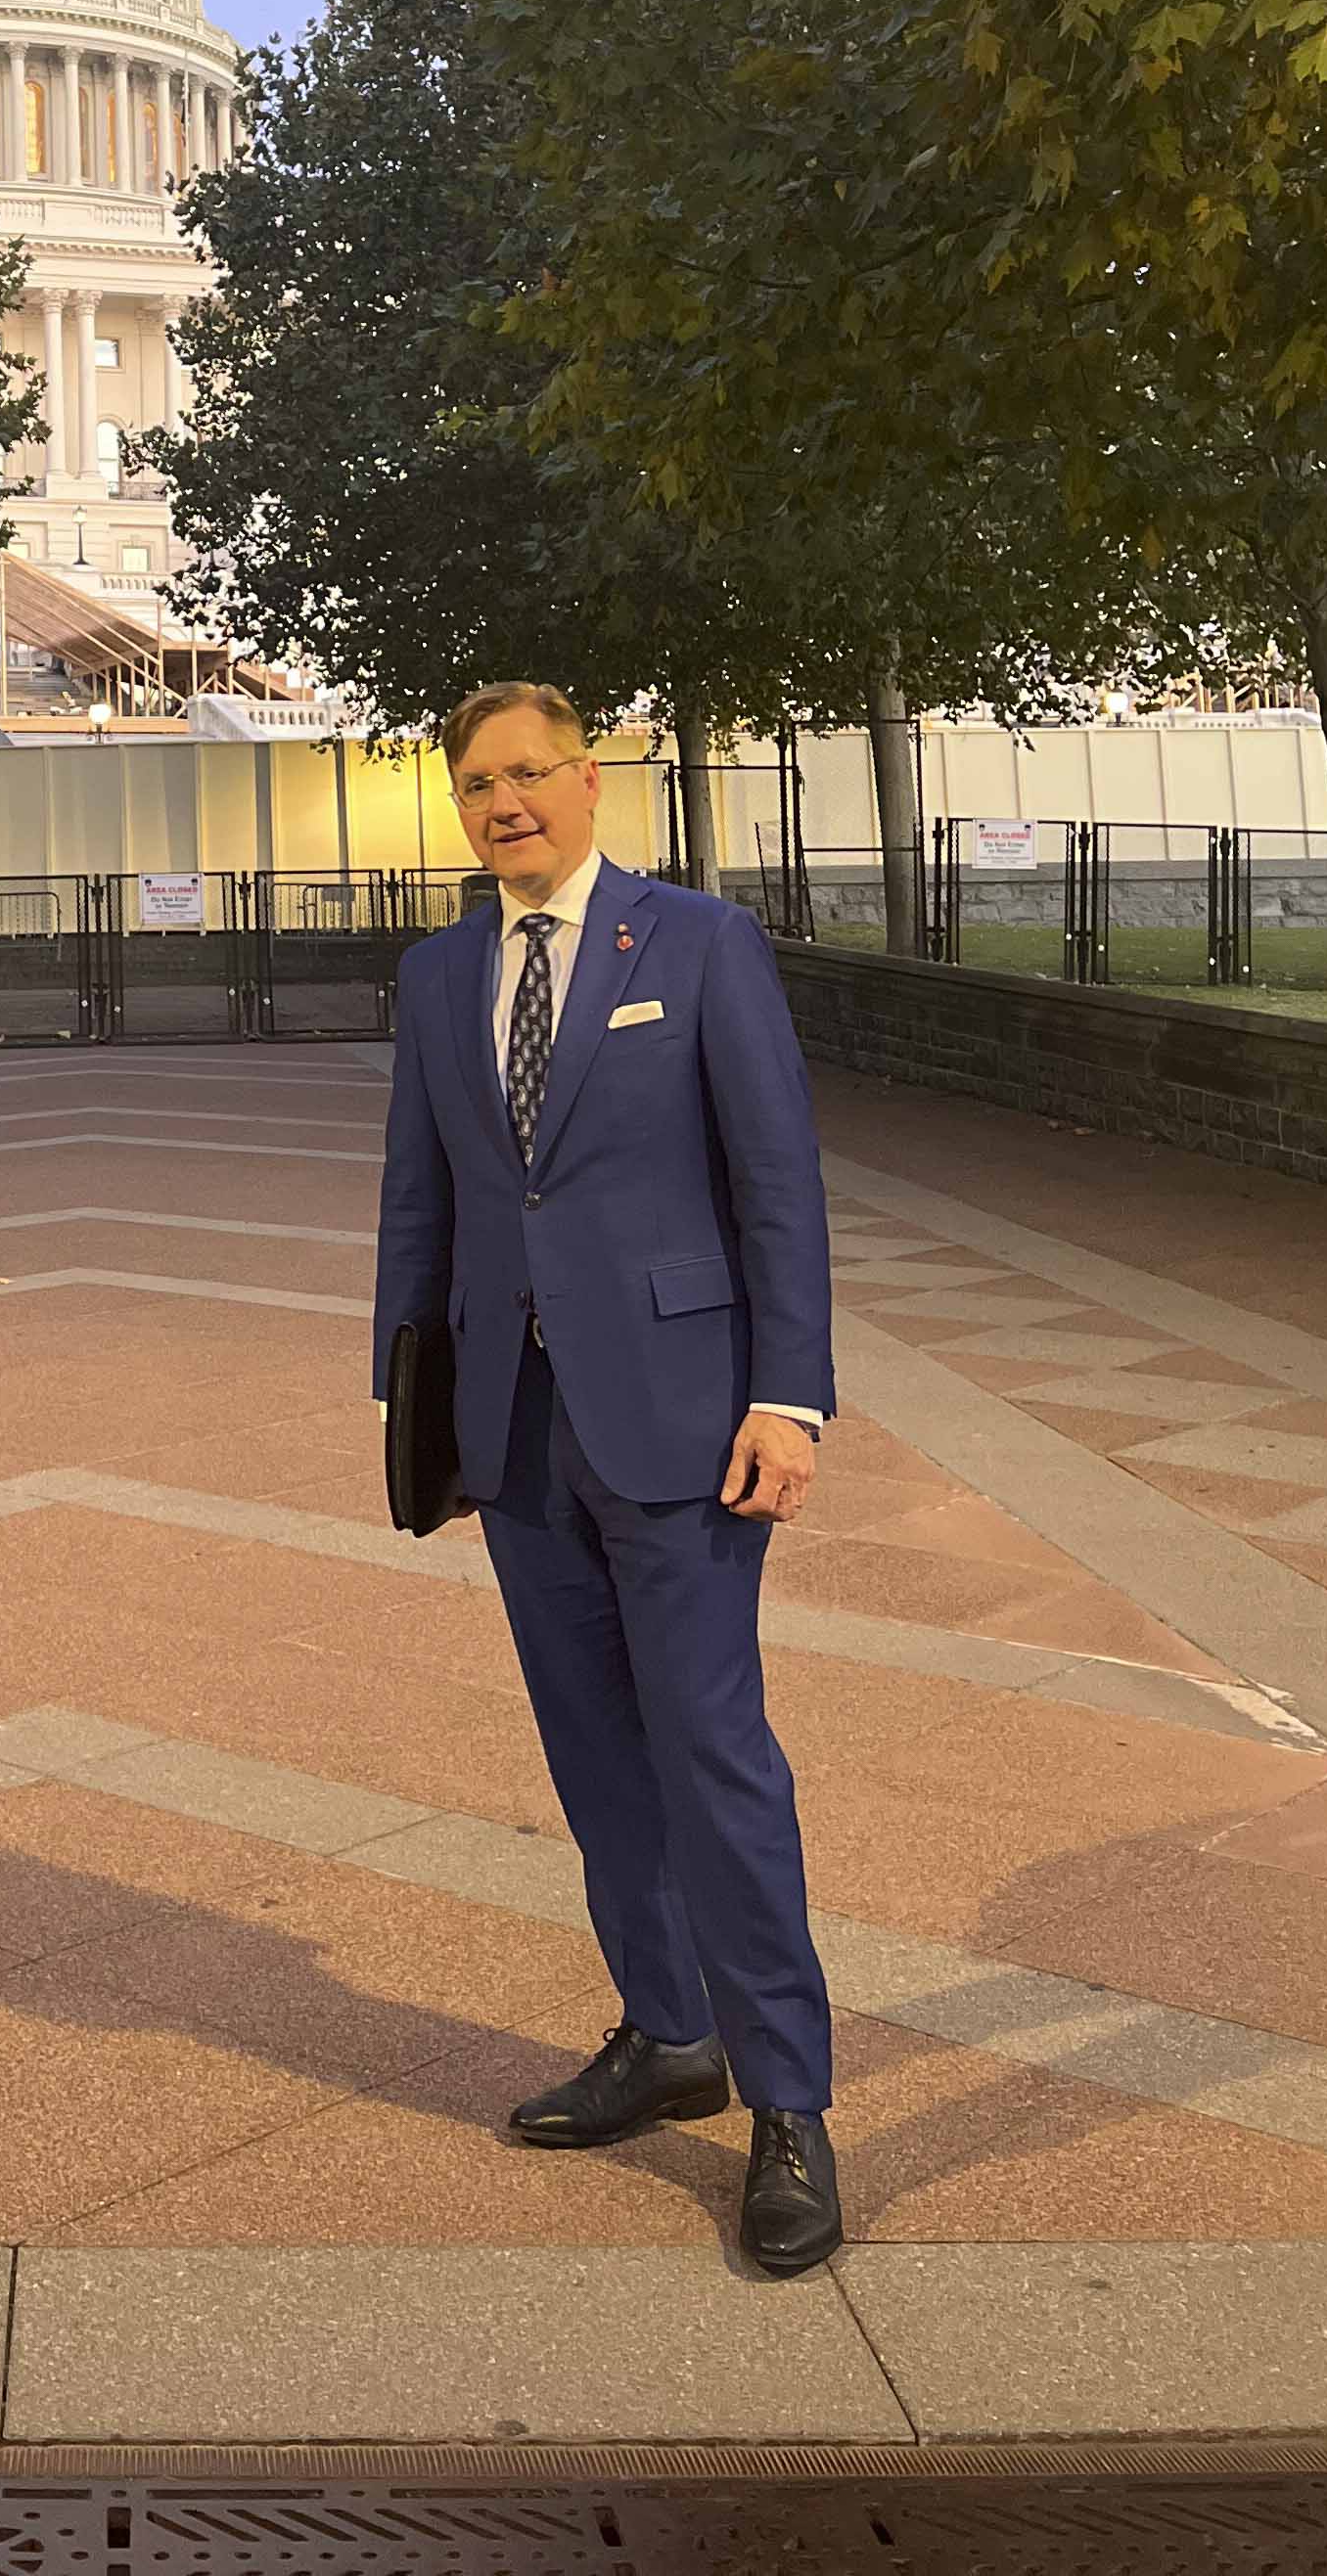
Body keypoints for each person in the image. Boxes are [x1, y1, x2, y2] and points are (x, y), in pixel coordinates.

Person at [373, 679, 843, 2273]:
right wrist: (416, 1413)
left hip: (682, 1422)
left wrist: (788, 1397)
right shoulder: (439, 975)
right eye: (473, 784)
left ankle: (787, 2102)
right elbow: (420, 1200)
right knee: (590, 1754)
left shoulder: (697, 945)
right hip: (515, 1431)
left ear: (587, 780)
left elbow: (775, 1184)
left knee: (711, 1752)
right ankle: (668, 2031)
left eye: (526, 773)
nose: (501, 802)